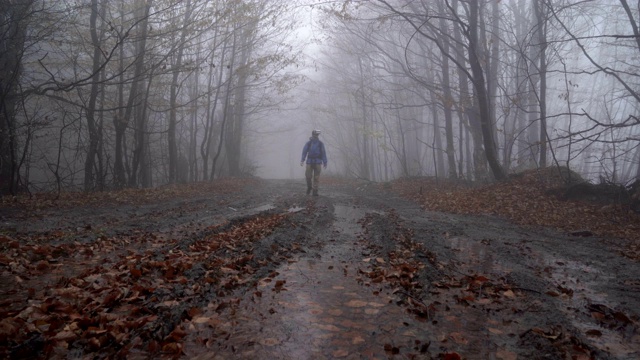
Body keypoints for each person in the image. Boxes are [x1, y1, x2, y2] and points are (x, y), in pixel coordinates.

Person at [300, 129, 327, 196]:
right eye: (315, 134)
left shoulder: (320, 144)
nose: (316, 136)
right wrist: (302, 160)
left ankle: (315, 190)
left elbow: (323, 153)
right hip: (309, 161)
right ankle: (309, 187)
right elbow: (304, 151)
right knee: (308, 176)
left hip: (318, 161)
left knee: (316, 177)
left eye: (317, 134)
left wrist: (325, 162)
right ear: (312, 135)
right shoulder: (308, 143)